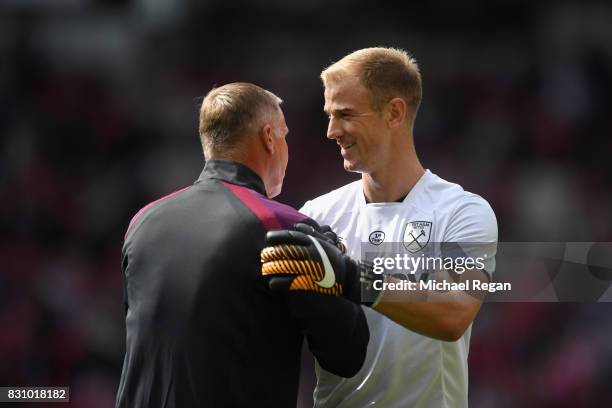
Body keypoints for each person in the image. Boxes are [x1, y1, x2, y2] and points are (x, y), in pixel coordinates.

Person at [261, 48, 498, 407]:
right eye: (329, 115)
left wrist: (352, 277)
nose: (330, 131)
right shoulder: (316, 215)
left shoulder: (462, 212)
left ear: (394, 113)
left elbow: (452, 311)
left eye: (345, 114)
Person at [115, 82, 369, 407]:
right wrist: (339, 270)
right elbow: (347, 355)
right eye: (285, 135)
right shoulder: (281, 226)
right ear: (268, 138)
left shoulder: (142, 222)